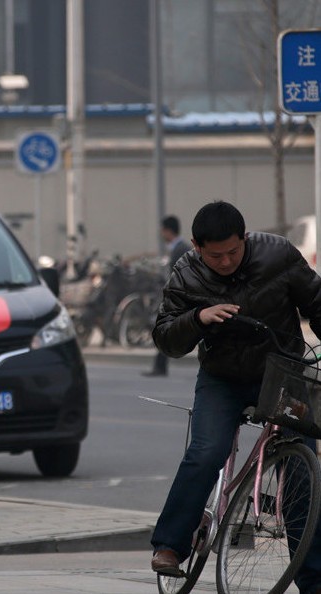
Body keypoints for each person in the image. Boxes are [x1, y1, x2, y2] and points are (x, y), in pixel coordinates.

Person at [149, 200, 321, 593]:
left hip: (282, 376)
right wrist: (197, 319)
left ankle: (314, 581)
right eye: (215, 255)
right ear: (196, 246)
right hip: (221, 379)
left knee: (301, 474)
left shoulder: (278, 255)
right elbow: (165, 337)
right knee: (206, 451)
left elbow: (317, 304)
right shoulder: (186, 274)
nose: (225, 261)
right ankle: (171, 547)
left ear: (244, 238)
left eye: (233, 251)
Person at [142, 215, 189, 377]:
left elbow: (180, 275)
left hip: (179, 298)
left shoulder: (181, 249)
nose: (161, 234)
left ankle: (160, 366)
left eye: (162, 231)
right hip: (177, 297)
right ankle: (160, 366)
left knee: (165, 329)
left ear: (168, 231)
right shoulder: (177, 248)